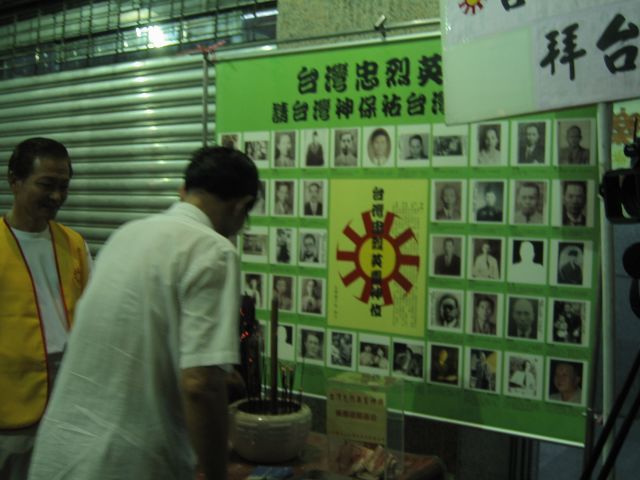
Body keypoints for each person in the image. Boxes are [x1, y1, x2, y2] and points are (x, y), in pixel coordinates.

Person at [27, 146, 258, 480]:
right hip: (124, 462)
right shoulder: (213, 249)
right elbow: (200, 384)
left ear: (183, 191)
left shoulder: (127, 234)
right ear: (241, 205)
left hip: (59, 453)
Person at [0, 138, 92, 480]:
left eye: (63, 186)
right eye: (46, 184)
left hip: (68, 402)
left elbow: (91, 318)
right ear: (15, 181)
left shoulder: (74, 243)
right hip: (11, 410)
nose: (56, 196)